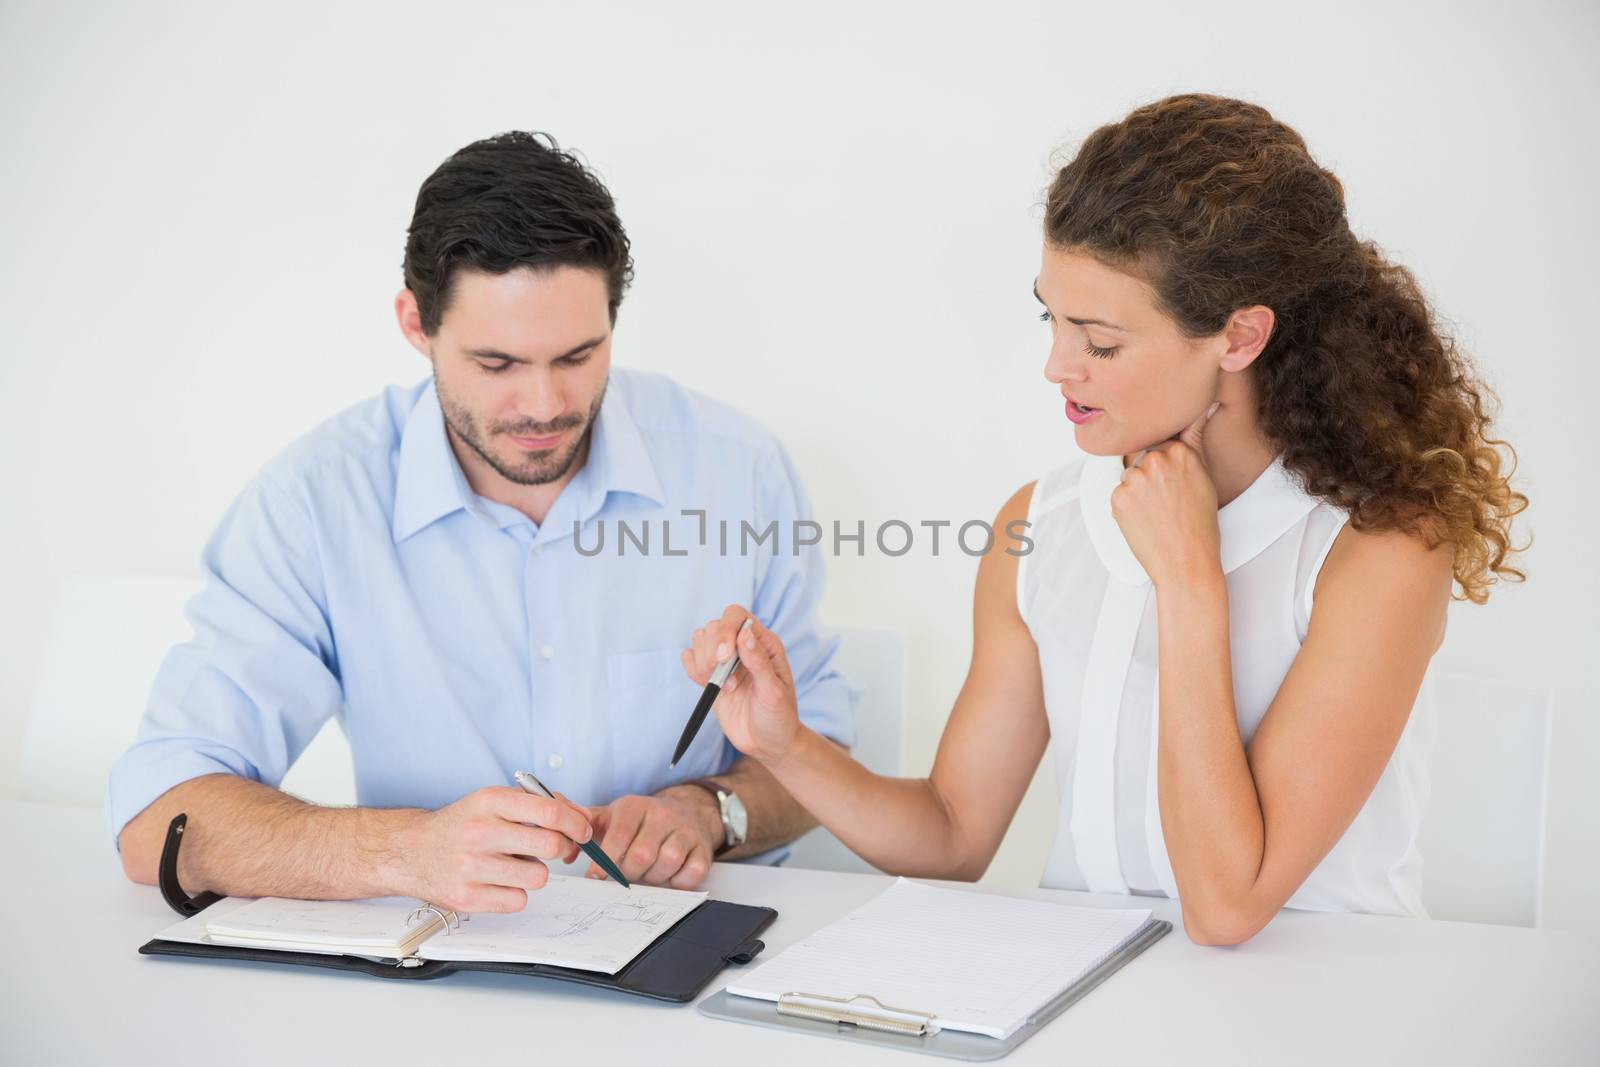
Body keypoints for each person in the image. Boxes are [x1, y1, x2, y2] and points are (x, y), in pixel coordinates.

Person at [682, 94, 1528, 946]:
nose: (1057, 365)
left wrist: (1188, 578)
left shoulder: (1379, 547)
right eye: (1051, 318)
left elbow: (1228, 906)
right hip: (1096, 999)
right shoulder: (1041, 522)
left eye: (1101, 341)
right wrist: (786, 745)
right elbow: (951, 832)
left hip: (1326, 998)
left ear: (1239, 337)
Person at [108, 131, 855, 913]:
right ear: (415, 324)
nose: (543, 406)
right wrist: (404, 850)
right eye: (496, 364)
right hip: (432, 979)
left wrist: (712, 810)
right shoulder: (316, 502)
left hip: (687, 954)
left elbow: (824, 754)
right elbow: (156, 815)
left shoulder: (736, 471)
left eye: (577, 356)